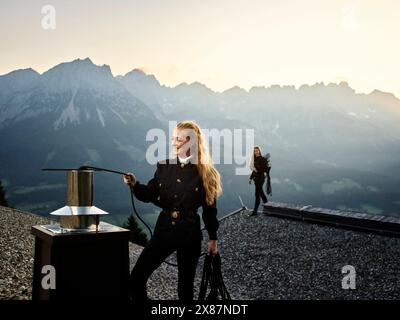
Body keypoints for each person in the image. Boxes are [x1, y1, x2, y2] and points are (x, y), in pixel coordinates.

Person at [123, 120, 222, 304]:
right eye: (173, 138)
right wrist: (135, 185)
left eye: (178, 139)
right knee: (136, 278)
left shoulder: (208, 174)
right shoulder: (164, 166)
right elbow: (150, 193)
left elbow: (210, 210)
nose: (174, 142)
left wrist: (213, 238)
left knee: (185, 290)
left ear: (191, 142)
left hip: (190, 236)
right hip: (164, 232)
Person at [248, 146, 271, 216]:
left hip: (261, 178)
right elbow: (254, 171)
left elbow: (263, 170)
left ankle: (255, 211)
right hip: (256, 179)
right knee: (261, 194)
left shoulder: (262, 159)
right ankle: (268, 209)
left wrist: (256, 170)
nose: (256, 152)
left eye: (257, 150)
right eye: (255, 151)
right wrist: (250, 178)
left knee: (257, 195)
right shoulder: (255, 159)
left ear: (259, 151)